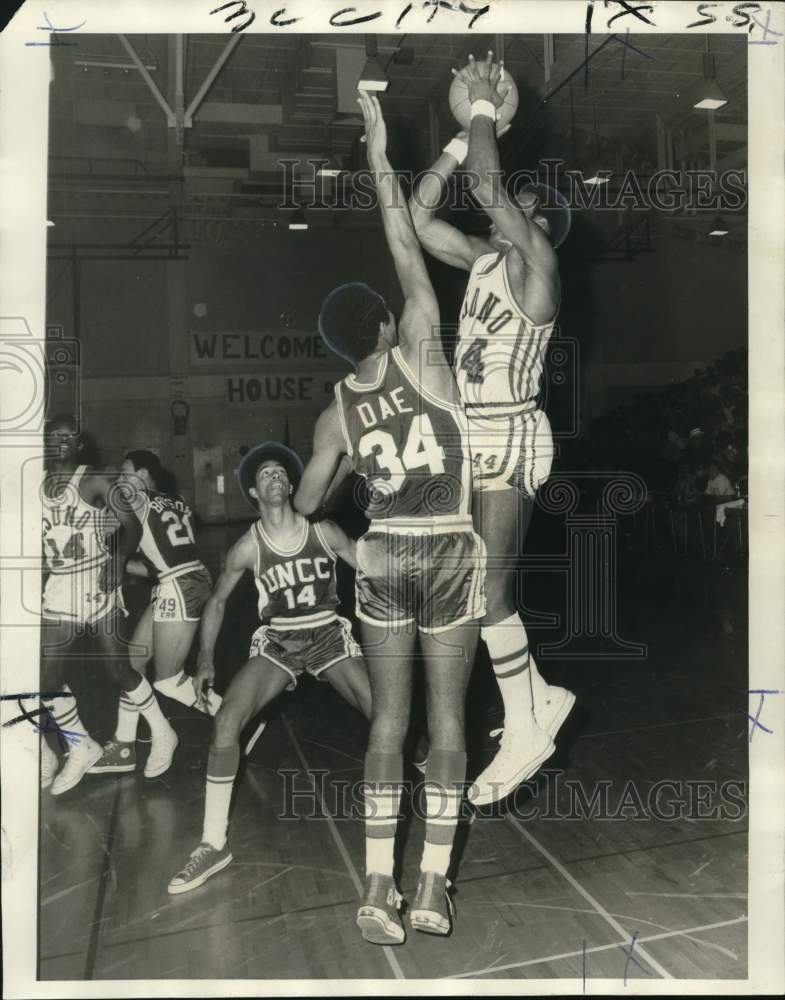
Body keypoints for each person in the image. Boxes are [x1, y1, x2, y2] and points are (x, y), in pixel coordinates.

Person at [295, 91, 486, 944]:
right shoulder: (421, 348)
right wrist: (380, 148)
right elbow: (403, 235)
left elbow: (302, 506)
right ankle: (432, 886)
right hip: (447, 552)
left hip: (380, 561)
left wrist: (341, 537)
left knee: (386, 723)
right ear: (384, 322)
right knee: (447, 724)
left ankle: (375, 886)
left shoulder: (333, 412)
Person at [409, 51, 575, 806]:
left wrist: (480, 110)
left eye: (525, 206)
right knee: (479, 589)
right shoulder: (482, 260)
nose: (509, 208)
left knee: (490, 591)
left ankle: (528, 722)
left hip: (509, 431)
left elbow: (484, 184)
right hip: (472, 432)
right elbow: (417, 216)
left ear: (541, 226)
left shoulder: (537, 265)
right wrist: (456, 136)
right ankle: (535, 702)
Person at [167, 442, 372, 894]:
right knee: (226, 722)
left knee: (386, 714)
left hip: (328, 637)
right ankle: (212, 843)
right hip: (278, 643)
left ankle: (436, 780)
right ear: (254, 494)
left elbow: (370, 566)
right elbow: (217, 602)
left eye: (281, 472)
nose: (274, 477)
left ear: (293, 486)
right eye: (265, 475)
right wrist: (203, 659)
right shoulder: (247, 547)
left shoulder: (326, 530)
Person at [40, 416, 178, 795]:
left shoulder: (96, 479)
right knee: (44, 679)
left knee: (118, 668)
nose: (62, 443)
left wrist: (117, 562)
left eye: (69, 437)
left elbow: (131, 526)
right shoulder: (36, 485)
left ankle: (163, 733)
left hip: (94, 581)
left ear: (80, 443)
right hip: (60, 585)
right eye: (55, 437)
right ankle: (81, 744)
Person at [89, 450, 218, 775]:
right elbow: (157, 565)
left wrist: (102, 544)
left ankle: (235, 713)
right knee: (133, 661)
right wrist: (116, 565)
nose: (120, 479)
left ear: (144, 476)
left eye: (125, 472)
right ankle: (124, 743)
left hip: (180, 585)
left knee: (168, 680)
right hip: (180, 578)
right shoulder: (174, 501)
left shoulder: (133, 496)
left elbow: (102, 527)